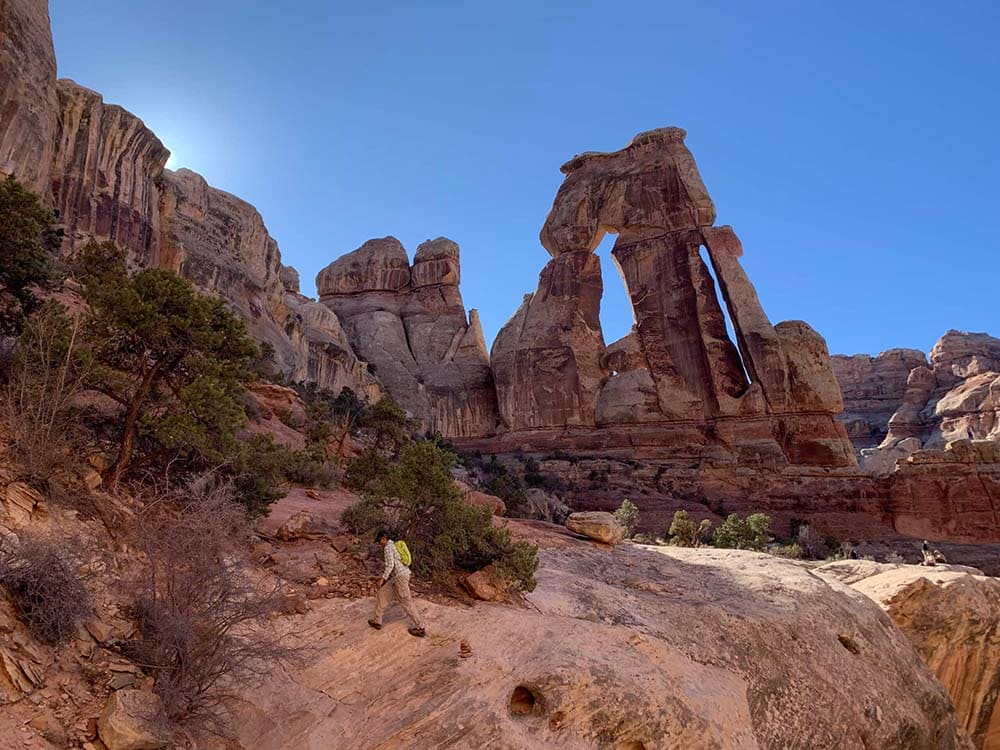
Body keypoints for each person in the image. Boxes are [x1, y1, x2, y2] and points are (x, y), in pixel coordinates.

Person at [368, 529, 426, 637]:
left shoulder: (388, 547)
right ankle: (377, 621)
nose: (379, 543)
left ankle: (420, 627)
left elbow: (390, 565)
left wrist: (382, 578)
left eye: (379, 541)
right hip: (397, 578)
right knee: (382, 594)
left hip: (400, 578)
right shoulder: (393, 545)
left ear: (384, 539)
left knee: (406, 603)